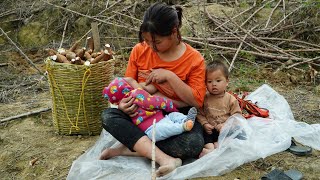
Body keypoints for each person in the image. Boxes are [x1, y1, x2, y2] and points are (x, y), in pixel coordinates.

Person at [99, 2, 206, 177]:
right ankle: (165, 158)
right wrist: (123, 105)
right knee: (109, 117)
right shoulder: (139, 51)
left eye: (156, 42)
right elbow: (127, 86)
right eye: (147, 41)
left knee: (193, 143)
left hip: (173, 117)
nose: (151, 47)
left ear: (173, 31)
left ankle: (134, 145)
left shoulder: (194, 59)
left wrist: (170, 76)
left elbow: (196, 101)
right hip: (139, 116)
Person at [102, 77, 198, 141]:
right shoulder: (137, 94)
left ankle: (185, 119)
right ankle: (182, 126)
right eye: (134, 82)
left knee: (171, 118)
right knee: (164, 128)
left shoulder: (123, 102)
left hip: (160, 119)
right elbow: (155, 102)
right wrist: (171, 106)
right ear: (128, 87)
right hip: (152, 128)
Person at [197, 60, 242, 158]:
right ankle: (209, 149)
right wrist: (205, 124)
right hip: (210, 130)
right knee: (202, 133)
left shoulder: (230, 99)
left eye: (218, 81)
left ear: (227, 81)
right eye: (209, 81)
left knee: (238, 132)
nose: (213, 84)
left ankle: (219, 146)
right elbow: (200, 114)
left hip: (225, 130)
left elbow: (237, 117)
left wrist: (226, 125)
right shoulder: (204, 98)